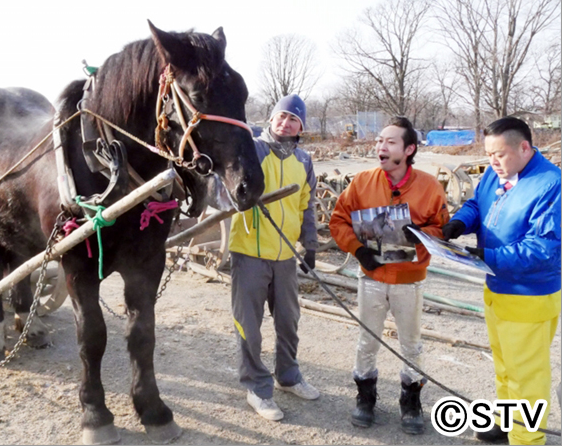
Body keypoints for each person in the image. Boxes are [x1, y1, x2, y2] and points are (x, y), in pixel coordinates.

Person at [441, 117, 560, 446]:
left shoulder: (551, 184)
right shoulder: (496, 173)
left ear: (524, 147)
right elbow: (477, 205)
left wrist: (484, 256)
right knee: (505, 364)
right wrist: (458, 224)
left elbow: (542, 249)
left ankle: (526, 439)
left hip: (529, 295)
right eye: (488, 155)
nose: (493, 163)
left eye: (500, 154)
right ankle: (506, 421)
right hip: (496, 288)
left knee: (528, 375)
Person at [329, 116, 450, 434]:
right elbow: (339, 220)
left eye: (390, 141)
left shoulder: (429, 187)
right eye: (379, 140)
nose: (381, 146)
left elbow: (441, 228)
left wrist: (420, 236)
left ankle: (411, 401)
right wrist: (358, 250)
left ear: (409, 149)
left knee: (412, 344)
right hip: (371, 279)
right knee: (366, 341)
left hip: (408, 281)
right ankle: (365, 397)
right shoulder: (362, 182)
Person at [229, 94, 320, 421]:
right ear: (271, 119)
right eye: (281, 116)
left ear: (300, 126)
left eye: (293, 119)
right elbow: (225, 187)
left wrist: (309, 245)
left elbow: (306, 205)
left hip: (284, 257)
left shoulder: (304, 161)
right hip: (249, 253)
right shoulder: (252, 150)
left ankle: (288, 376)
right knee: (249, 327)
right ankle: (257, 387)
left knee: (288, 322)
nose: (286, 123)